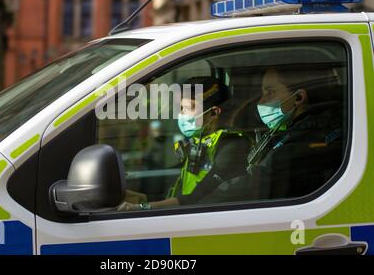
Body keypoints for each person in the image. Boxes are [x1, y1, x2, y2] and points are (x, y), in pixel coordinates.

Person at [199, 66, 345, 204]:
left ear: (299, 98)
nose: (261, 101)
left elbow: (254, 184)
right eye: (262, 93)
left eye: (270, 92)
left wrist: (196, 205)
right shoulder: (288, 131)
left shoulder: (304, 141)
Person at [118, 76, 252, 211]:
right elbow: (181, 190)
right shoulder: (200, 142)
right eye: (181, 108)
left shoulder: (232, 146)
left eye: (188, 108)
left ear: (213, 113)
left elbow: (195, 197)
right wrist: (144, 198)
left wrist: (143, 207)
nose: (181, 114)